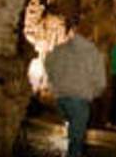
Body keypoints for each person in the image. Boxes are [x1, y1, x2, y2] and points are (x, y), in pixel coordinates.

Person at [45, 17, 106, 157]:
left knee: (72, 130)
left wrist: (55, 84)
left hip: (61, 98)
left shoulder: (59, 49)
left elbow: (48, 65)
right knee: (76, 140)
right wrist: (93, 92)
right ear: (91, 34)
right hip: (79, 98)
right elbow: (100, 81)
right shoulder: (93, 52)